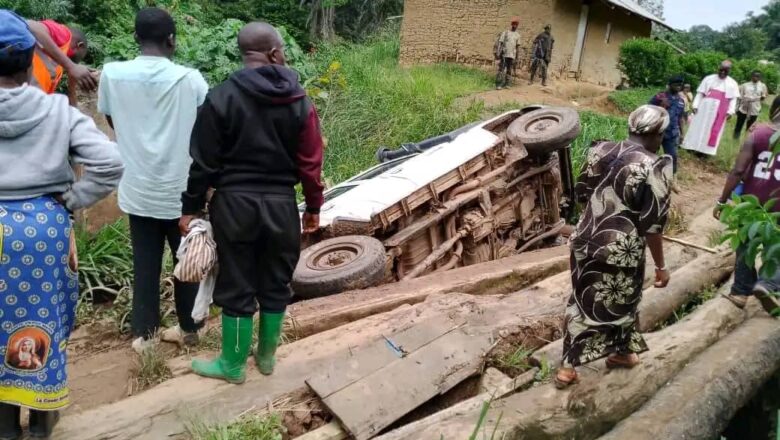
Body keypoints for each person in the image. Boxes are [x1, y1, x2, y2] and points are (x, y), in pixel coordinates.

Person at [0, 10, 122, 437]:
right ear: (33, 57)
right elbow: (109, 162)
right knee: (46, 316)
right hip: (44, 227)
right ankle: (41, 424)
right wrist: (70, 199)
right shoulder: (57, 111)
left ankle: (5, 428)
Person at [182, 22, 325, 384]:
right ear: (275, 53)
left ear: (245, 54)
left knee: (237, 281)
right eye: (283, 50)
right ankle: (265, 358)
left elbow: (203, 162)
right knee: (277, 280)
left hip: (233, 205)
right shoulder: (299, 100)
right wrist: (313, 207)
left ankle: (231, 366)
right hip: (280, 204)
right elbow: (311, 162)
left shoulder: (221, 96)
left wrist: (191, 207)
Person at [97, 7, 209, 353]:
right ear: (172, 40)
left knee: (144, 262)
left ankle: (143, 334)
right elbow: (204, 134)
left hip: (138, 187)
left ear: (135, 38)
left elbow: (113, 121)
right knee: (187, 260)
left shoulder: (112, 75)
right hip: (182, 191)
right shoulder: (191, 80)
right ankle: (190, 329)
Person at [555, 105, 673, 388]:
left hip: (584, 240)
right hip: (621, 250)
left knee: (582, 299)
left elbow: (582, 193)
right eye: (663, 134)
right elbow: (653, 225)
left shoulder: (600, 150)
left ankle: (584, 364)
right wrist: (661, 266)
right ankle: (594, 360)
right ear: (657, 134)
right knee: (623, 301)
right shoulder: (656, 166)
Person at [715, 95, 780, 313]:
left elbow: (738, 170)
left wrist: (722, 200)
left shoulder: (758, 133)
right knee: (776, 248)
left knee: (745, 244)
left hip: (751, 204)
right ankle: (767, 284)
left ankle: (740, 291)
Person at [25, 18, 96, 105]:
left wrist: (72, 83)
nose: (77, 62)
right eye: (80, 57)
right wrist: (71, 66)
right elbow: (31, 25)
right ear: (79, 45)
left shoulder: (58, 65)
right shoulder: (64, 34)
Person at [682, 60, 740, 156]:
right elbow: (700, 93)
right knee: (698, 127)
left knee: (712, 130)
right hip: (704, 108)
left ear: (729, 70)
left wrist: (730, 111)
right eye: (721, 70)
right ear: (718, 68)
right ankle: (691, 147)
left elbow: (733, 99)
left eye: (725, 71)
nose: (722, 72)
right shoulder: (708, 79)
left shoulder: (732, 83)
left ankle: (705, 152)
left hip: (720, 111)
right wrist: (695, 105)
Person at [649, 75, 686, 173]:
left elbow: (681, 118)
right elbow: (648, 109)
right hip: (657, 132)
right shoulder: (660, 97)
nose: (679, 86)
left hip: (671, 134)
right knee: (649, 154)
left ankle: (671, 180)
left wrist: (682, 134)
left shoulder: (681, 101)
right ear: (670, 85)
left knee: (672, 157)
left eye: (680, 85)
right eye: (676, 84)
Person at [733, 71, 768, 139]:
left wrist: (756, 99)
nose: (756, 78)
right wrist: (737, 108)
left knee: (750, 126)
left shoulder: (762, 86)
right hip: (744, 107)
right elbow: (740, 97)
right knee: (739, 124)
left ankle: (747, 139)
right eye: (754, 76)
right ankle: (735, 138)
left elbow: (764, 96)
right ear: (751, 76)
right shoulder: (745, 85)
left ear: (760, 77)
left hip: (754, 108)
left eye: (758, 76)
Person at [494, 18, 521, 90]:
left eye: (516, 24)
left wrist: (517, 57)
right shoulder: (505, 33)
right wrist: (498, 52)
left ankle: (507, 84)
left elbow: (517, 47)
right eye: (513, 24)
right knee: (501, 69)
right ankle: (498, 84)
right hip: (504, 54)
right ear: (511, 24)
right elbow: (500, 43)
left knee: (509, 70)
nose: (514, 25)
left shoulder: (517, 35)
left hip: (512, 56)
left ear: (517, 26)